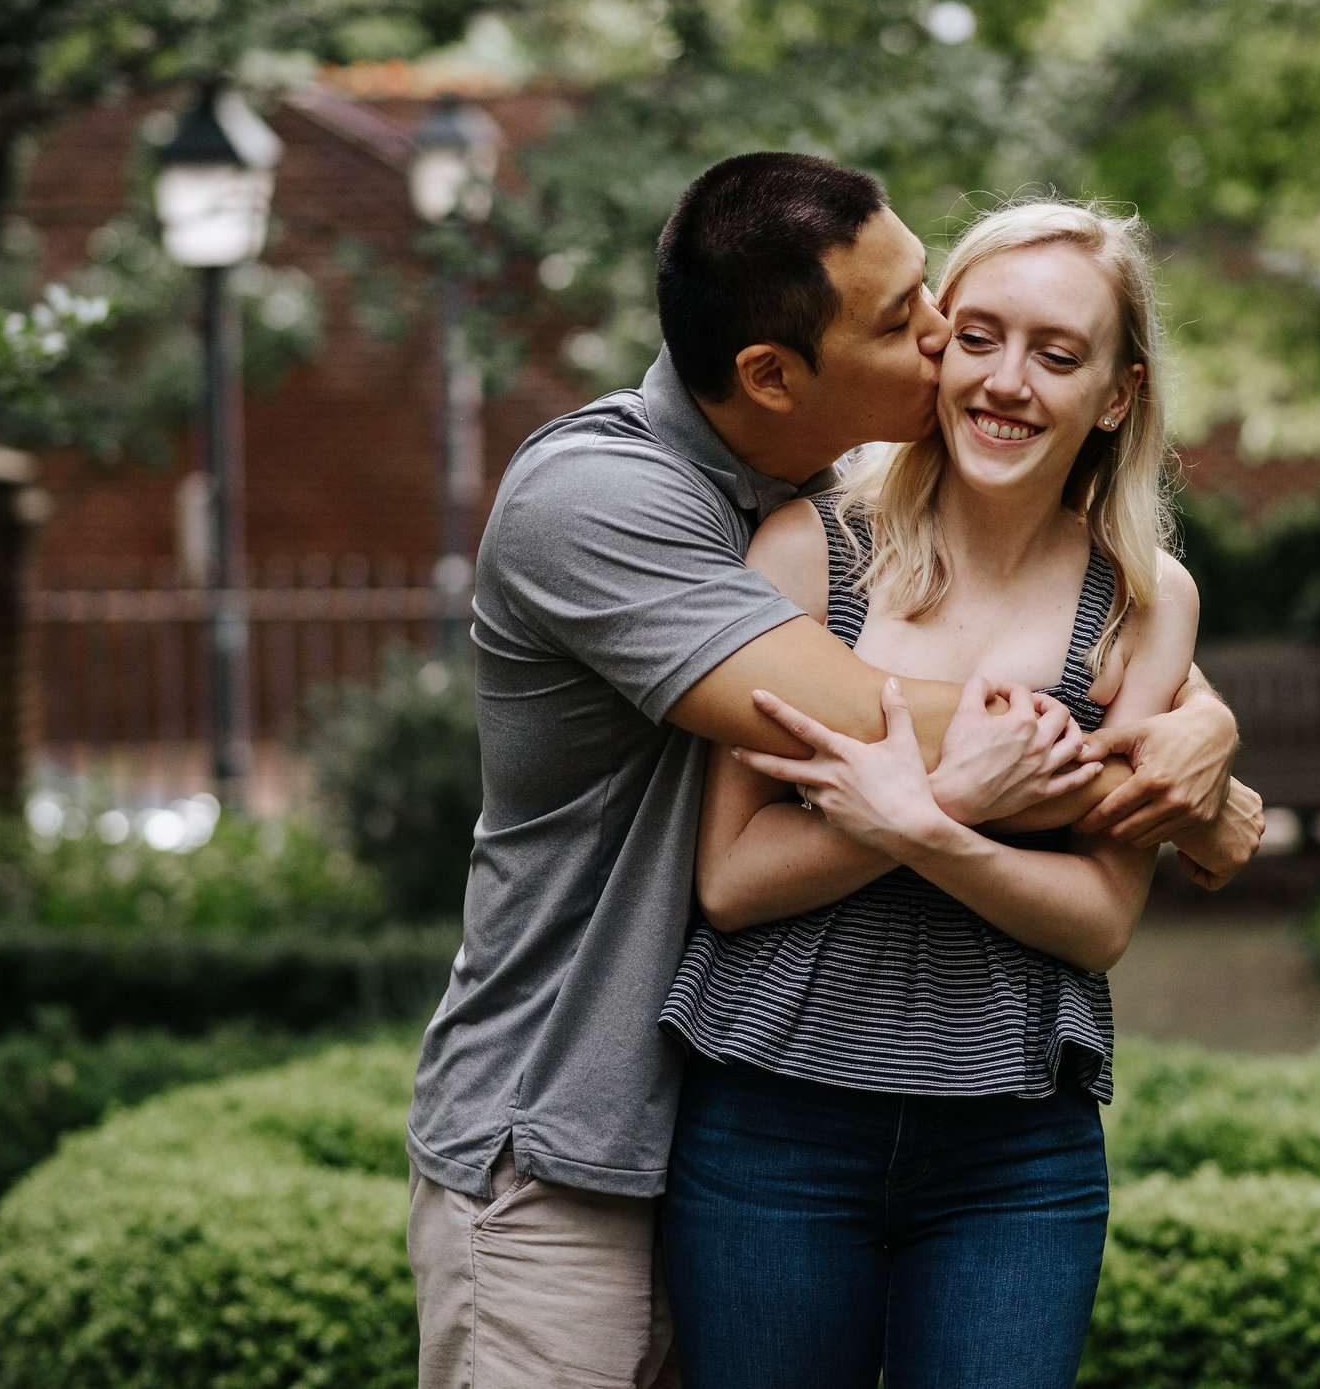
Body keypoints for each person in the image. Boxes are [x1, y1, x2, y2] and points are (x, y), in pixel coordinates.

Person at [404, 154, 1263, 1389]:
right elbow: (885, 725)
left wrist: (1200, 723)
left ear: (1120, 393)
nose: (947, 350)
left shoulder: (790, 485)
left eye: (932, 300)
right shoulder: (605, 501)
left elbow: (1040, 758)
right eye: (924, 321)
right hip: (566, 1133)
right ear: (772, 374)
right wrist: (1179, 783)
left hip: (710, 1110)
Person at [656, 198, 1187, 1389]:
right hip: (773, 1126)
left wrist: (917, 820)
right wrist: (967, 793)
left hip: (1014, 1151)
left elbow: (1100, 918)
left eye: (1057, 355)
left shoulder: (1146, 602)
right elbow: (731, 881)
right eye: (979, 334)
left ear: (1116, 393)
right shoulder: (810, 549)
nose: (1005, 382)